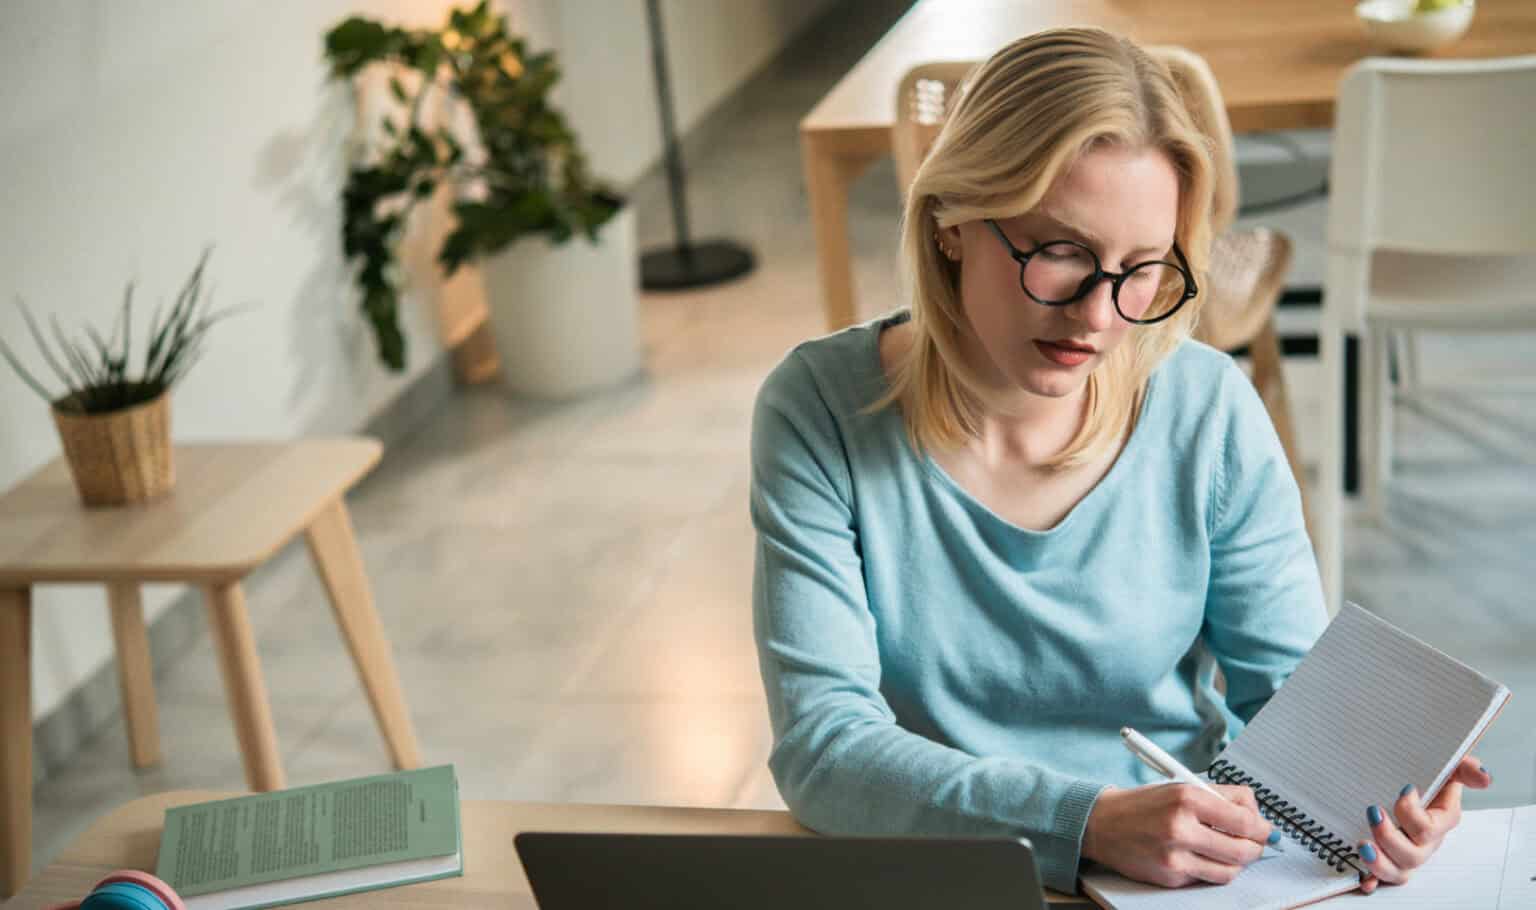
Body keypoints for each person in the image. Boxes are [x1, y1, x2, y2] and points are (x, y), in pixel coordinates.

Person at [748, 27, 1488, 896]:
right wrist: (1086, 824)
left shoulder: (1207, 410)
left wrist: (1369, 796)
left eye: (1141, 268)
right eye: (1060, 253)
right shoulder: (819, 411)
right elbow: (824, 750)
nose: (1099, 317)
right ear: (951, 220)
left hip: (1186, 880)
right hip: (949, 874)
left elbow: (1289, 701)